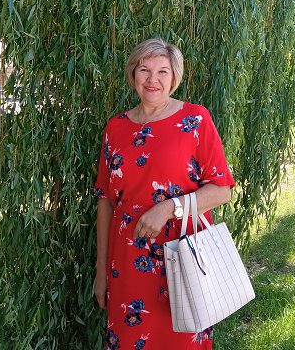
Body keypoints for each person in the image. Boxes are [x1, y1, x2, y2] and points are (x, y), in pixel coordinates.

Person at [94, 38, 235, 349]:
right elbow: (105, 201)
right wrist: (101, 270)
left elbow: (221, 190)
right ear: (133, 74)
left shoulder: (195, 120)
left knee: (180, 340)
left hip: (184, 255)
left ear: (174, 78)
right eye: (144, 69)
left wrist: (169, 208)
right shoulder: (115, 128)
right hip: (127, 261)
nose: (152, 80)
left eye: (162, 71)